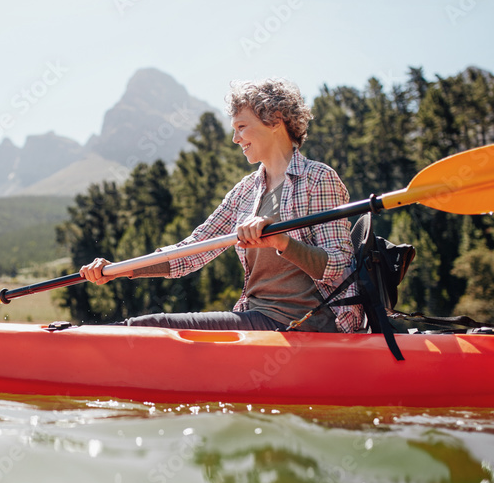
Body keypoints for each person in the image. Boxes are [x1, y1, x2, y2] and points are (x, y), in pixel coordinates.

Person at [79, 78, 365, 333]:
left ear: (276, 120)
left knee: (151, 328)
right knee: (148, 327)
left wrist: (281, 241)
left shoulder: (318, 178)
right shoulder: (245, 191)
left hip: (309, 324)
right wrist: (121, 269)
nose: (235, 138)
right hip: (257, 318)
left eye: (242, 127)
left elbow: (339, 265)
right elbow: (192, 252)